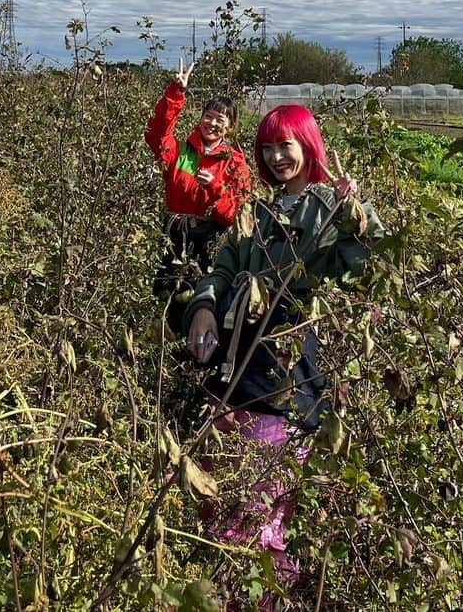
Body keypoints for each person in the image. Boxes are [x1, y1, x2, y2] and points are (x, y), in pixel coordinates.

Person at [182, 104, 383, 589]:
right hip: (231, 368)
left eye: (285, 145)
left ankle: (259, 594)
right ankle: (223, 587)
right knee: (219, 489)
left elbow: (369, 267)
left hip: (285, 375)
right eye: (267, 147)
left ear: (308, 146)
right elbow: (224, 267)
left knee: (261, 508)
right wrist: (203, 308)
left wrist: (357, 214)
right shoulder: (258, 207)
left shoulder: (327, 208)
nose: (275, 157)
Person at [145, 58, 251, 332]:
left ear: (230, 127)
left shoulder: (235, 162)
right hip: (172, 235)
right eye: (208, 116)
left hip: (209, 241)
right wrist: (176, 92)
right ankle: (166, 356)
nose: (212, 123)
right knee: (166, 299)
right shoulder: (179, 150)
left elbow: (237, 215)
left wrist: (216, 189)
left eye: (221, 119)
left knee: (202, 300)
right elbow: (155, 134)